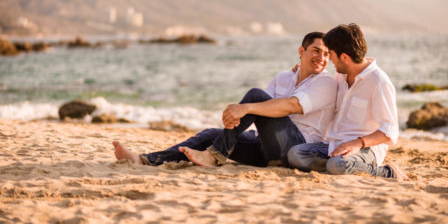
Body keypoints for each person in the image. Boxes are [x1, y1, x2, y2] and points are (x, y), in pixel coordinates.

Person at [113, 32, 337, 168]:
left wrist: (244, 108)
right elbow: (262, 112)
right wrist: (239, 115)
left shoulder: (326, 83)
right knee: (210, 135)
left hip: (295, 149)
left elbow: (291, 106)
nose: (321, 57)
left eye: (327, 54)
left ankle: (216, 155)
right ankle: (144, 160)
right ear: (301, 51)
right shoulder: (283, 77)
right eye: (316, 51)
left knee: (254, 96)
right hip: (266, 149)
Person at [287, 24, 408, 180]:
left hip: (366, 148)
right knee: (295, 155)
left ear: (344, 57)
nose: (329, 59)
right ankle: (337, 164)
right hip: (335, 143)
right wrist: (303, 68)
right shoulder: (341, 75)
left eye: (330, 54)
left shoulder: (379, 82)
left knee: (337, 165)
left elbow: (390, 131)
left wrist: (358, 143)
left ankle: (389, 172)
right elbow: (323, 85)